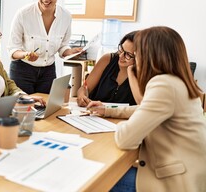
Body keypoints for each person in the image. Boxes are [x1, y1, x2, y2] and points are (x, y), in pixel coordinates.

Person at [88, 26, 206, 192]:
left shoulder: (164, 85)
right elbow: (146, 109)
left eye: (137, 54)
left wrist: (119, 127)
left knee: (96, 174)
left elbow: (125, 140)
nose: (136, 58)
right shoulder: (179, 82)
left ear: (152, 55)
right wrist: (107, 110)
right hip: (188, 171)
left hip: (173, 180)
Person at [7, 0, 83, 94]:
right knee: (24, 109)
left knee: (46, 109)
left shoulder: (66, 16)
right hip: (22, 71)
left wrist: (70, 52)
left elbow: (63, 47)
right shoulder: (23, 14)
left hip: (48, 72)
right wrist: (25, 54)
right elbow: (12, 49)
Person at [77, 31, 141, 107]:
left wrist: (131, 71)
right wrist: (81, 95)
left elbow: (143, 105)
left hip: (123, 118)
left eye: (128, 54)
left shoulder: (144, 74)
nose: (121, 56)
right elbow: (85, 87)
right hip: (95, 114)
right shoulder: (107, 59)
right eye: (121, 49)